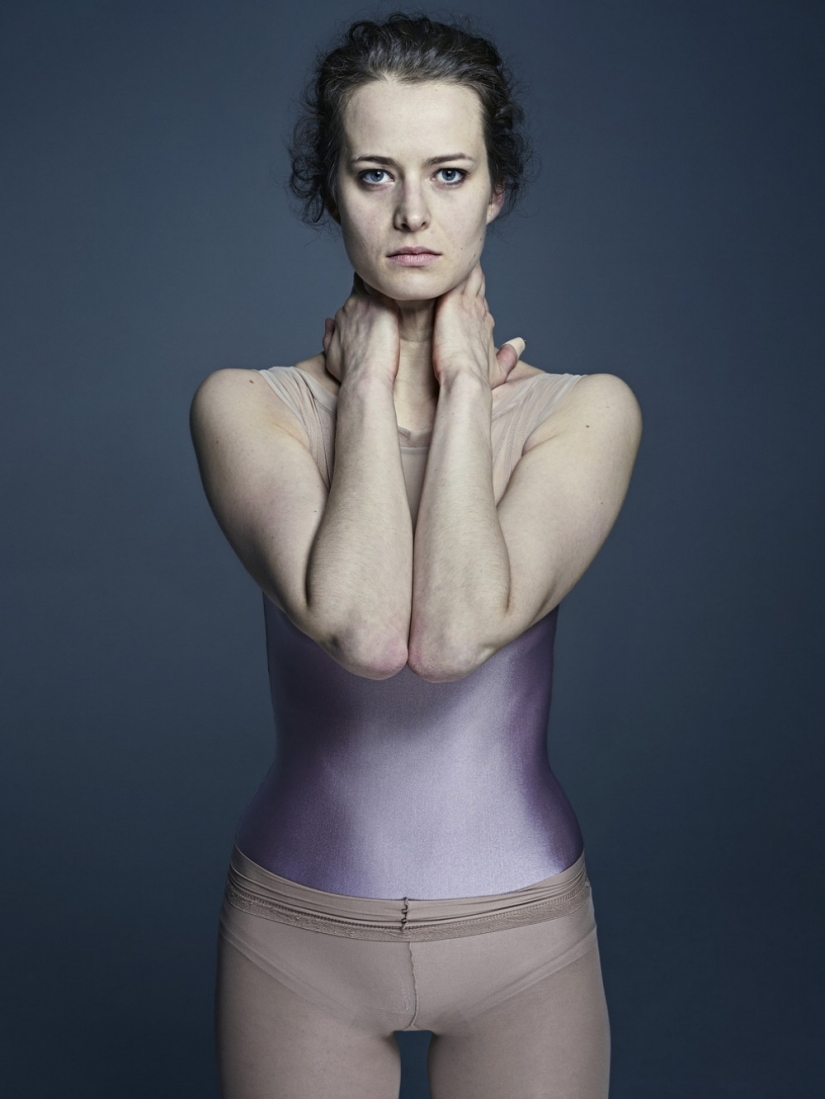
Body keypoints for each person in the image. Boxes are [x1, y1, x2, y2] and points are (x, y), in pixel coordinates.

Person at [190, 12, 641, 1098]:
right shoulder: (249, 407)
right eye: (374, 174)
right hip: (301, 933)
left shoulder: (585, 412)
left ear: (495, 190)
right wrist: (372, 393)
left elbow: (451, 635)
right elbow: (360, 626)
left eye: (447, 173)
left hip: (522, 935)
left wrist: (472, 388)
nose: (410, 214)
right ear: (331, 189)